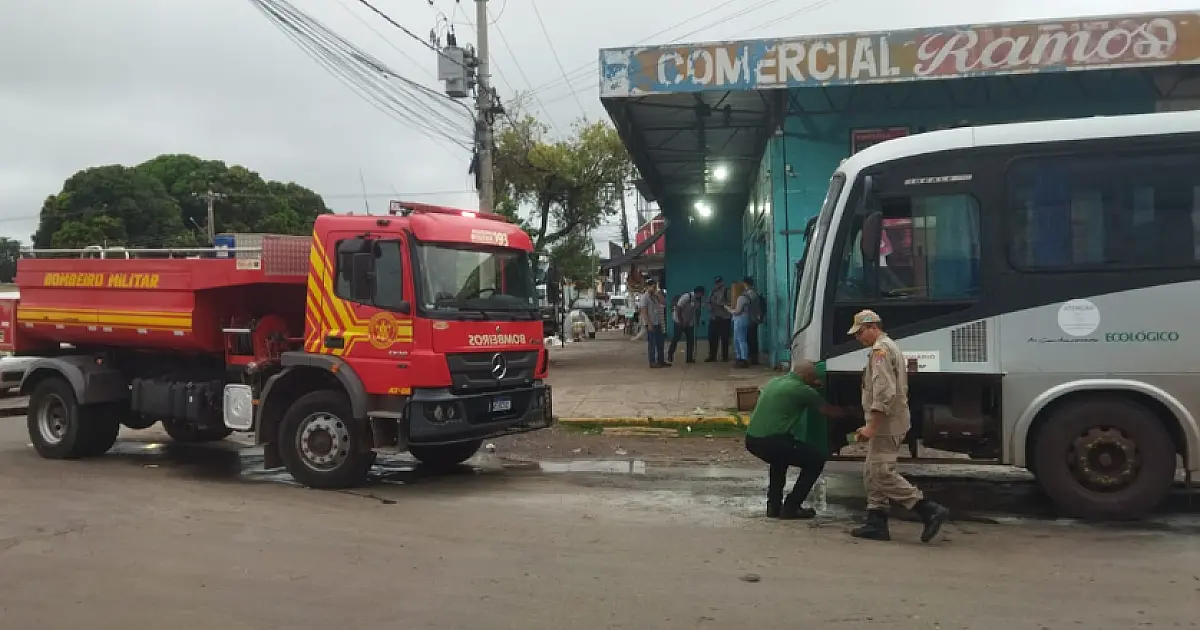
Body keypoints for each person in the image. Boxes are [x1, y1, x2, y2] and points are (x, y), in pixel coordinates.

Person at [847, 309, 950, 543]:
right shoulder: (886, 347)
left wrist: (872, 426)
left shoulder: (880, 351)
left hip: (887, 423)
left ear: (873, 327)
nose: (858, 338)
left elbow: (884, 390)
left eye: (860, 333)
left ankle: (927, 508)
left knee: (882, 473)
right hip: (889, 421)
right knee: (871, 471)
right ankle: (876, 521)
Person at [745, 360, 850, 519]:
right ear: (808, 376)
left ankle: (773, 506)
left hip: (752, 440)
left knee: (779, 459)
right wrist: (856, 412)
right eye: (813, 377)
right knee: (815, 460)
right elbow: (830, 412)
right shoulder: (803, 390)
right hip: (772, 441)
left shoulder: (775, 381)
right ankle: (792, 507)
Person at [667, 286, 704, 365]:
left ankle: (689, 358)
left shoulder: (698, 300)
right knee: (676, 338)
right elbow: (678, 308)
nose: (702, 296)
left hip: (689, 321)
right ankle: (670, 354)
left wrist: (697, 321)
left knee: (690, 340)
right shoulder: (687, 296)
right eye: (702, 294)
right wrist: (681, 321)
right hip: (679, 320)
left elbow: (697, 311)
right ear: (699, 293)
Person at [638, 280, 667, 368]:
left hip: (657, 322)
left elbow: (663, 302)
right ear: (648, 287)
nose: (654, 288)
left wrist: (658, 294)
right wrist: (649, 323)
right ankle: (652, 361)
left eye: (655, 287)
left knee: (660, 343)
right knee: (652, 344)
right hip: (651, 323)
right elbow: (644, 312)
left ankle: (661, 360)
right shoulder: (644, 298)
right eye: (653, 287)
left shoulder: (655, 297)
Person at [705, 276, 731, 362]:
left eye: (719, 282)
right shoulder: (712, 292)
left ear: (722, 282)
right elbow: (708, 302)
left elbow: (731, 303)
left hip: (724, 317)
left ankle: (725, 356)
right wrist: (710, 307)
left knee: (724, 338)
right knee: (712, 338)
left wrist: (721, 304)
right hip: (714, 317)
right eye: (716, 282)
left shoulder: (727, 291)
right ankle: (712, 356)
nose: (718, 284)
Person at [730, 281, 752, 368]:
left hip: (740, 319)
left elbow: (737, 311)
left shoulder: (742, 298)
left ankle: (743, 359)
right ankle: (739, 358)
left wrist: (729, 310)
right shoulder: (744, 297)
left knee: (741, 340)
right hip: (742, 319)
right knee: (737, 340)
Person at [742, 277, 763, 365]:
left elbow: (748, 305)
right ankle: (753, 357)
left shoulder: (750, 293)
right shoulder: (754, 292)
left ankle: (753, 358)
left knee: (751, 339)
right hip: (753, 318)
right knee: (751, 338)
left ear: (745, 284)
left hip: (751, 318)